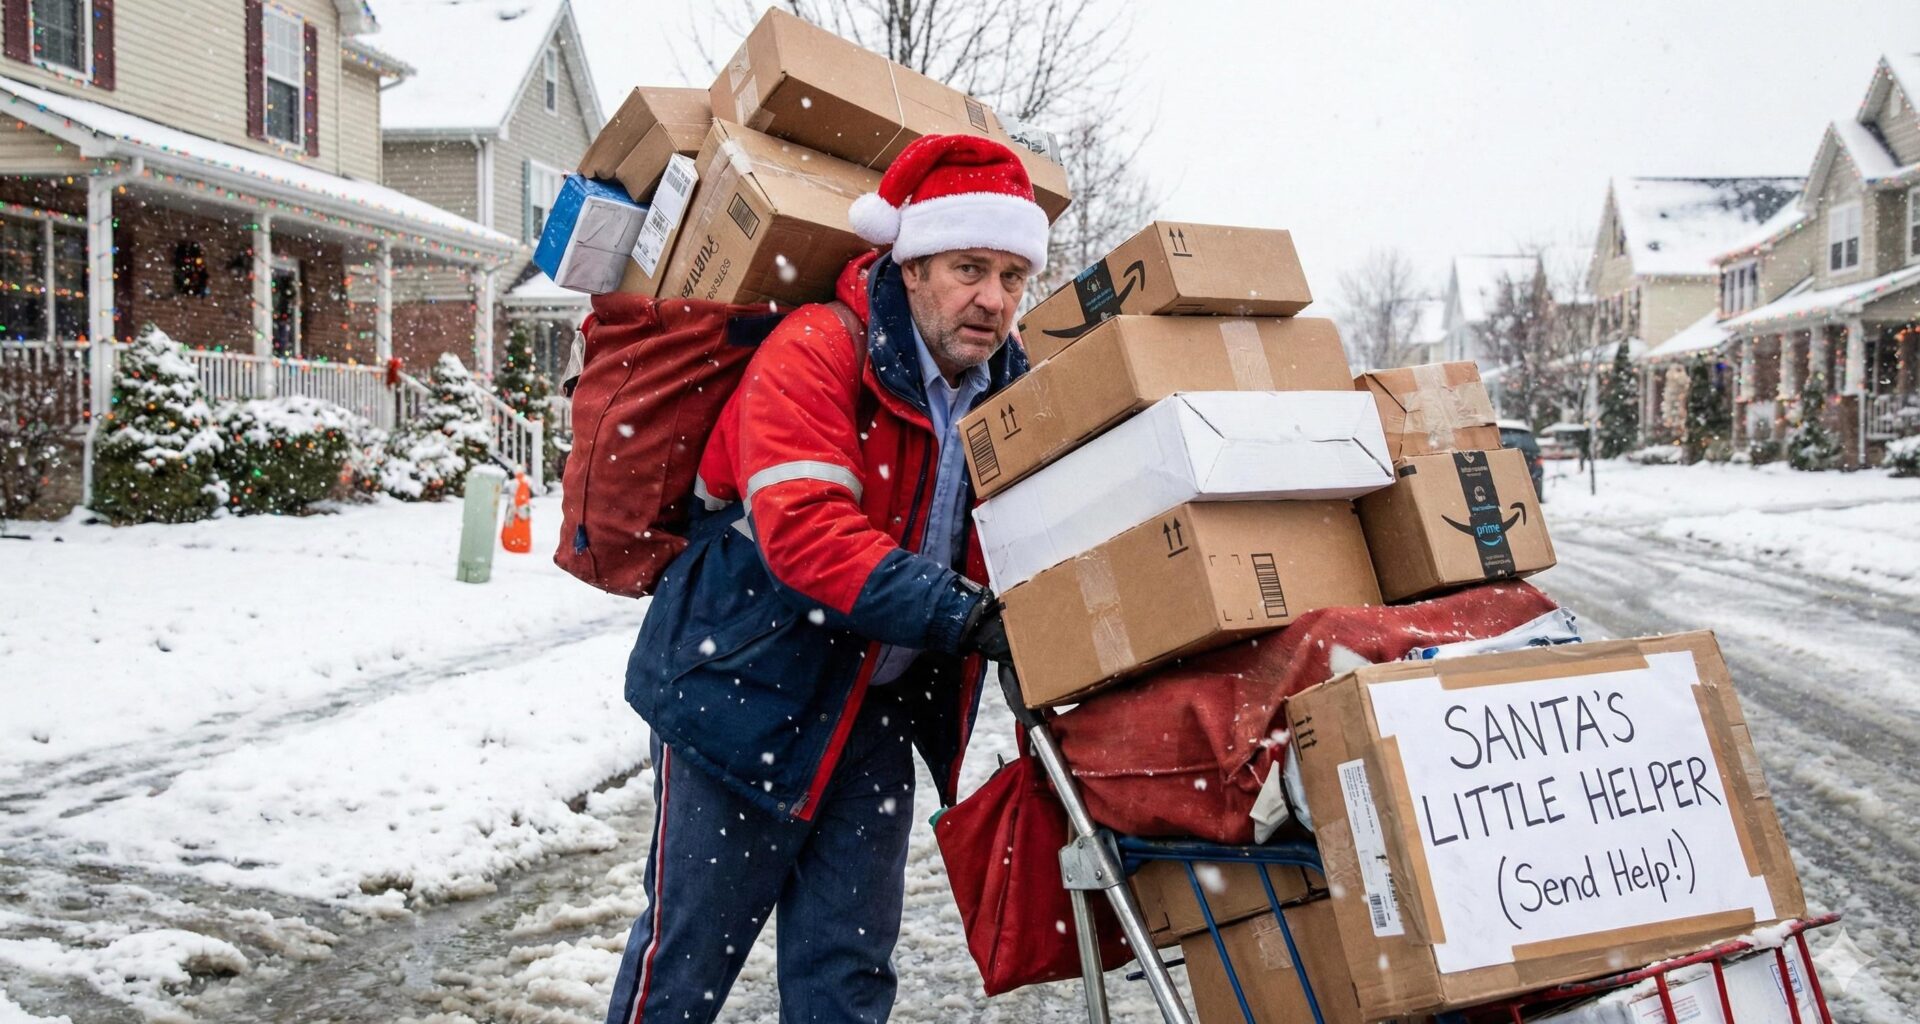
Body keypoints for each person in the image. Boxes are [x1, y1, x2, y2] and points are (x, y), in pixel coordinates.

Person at [603, 134, 1051, 1024]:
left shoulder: (1007, 387)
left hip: (873, 711)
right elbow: (805, 534)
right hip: (743, 691)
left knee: (846, 975)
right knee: (685, 964)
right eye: (969, 267)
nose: (993, 299)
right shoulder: (816, 349)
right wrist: (962, 616)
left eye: (1011, 275)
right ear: (912, 265)